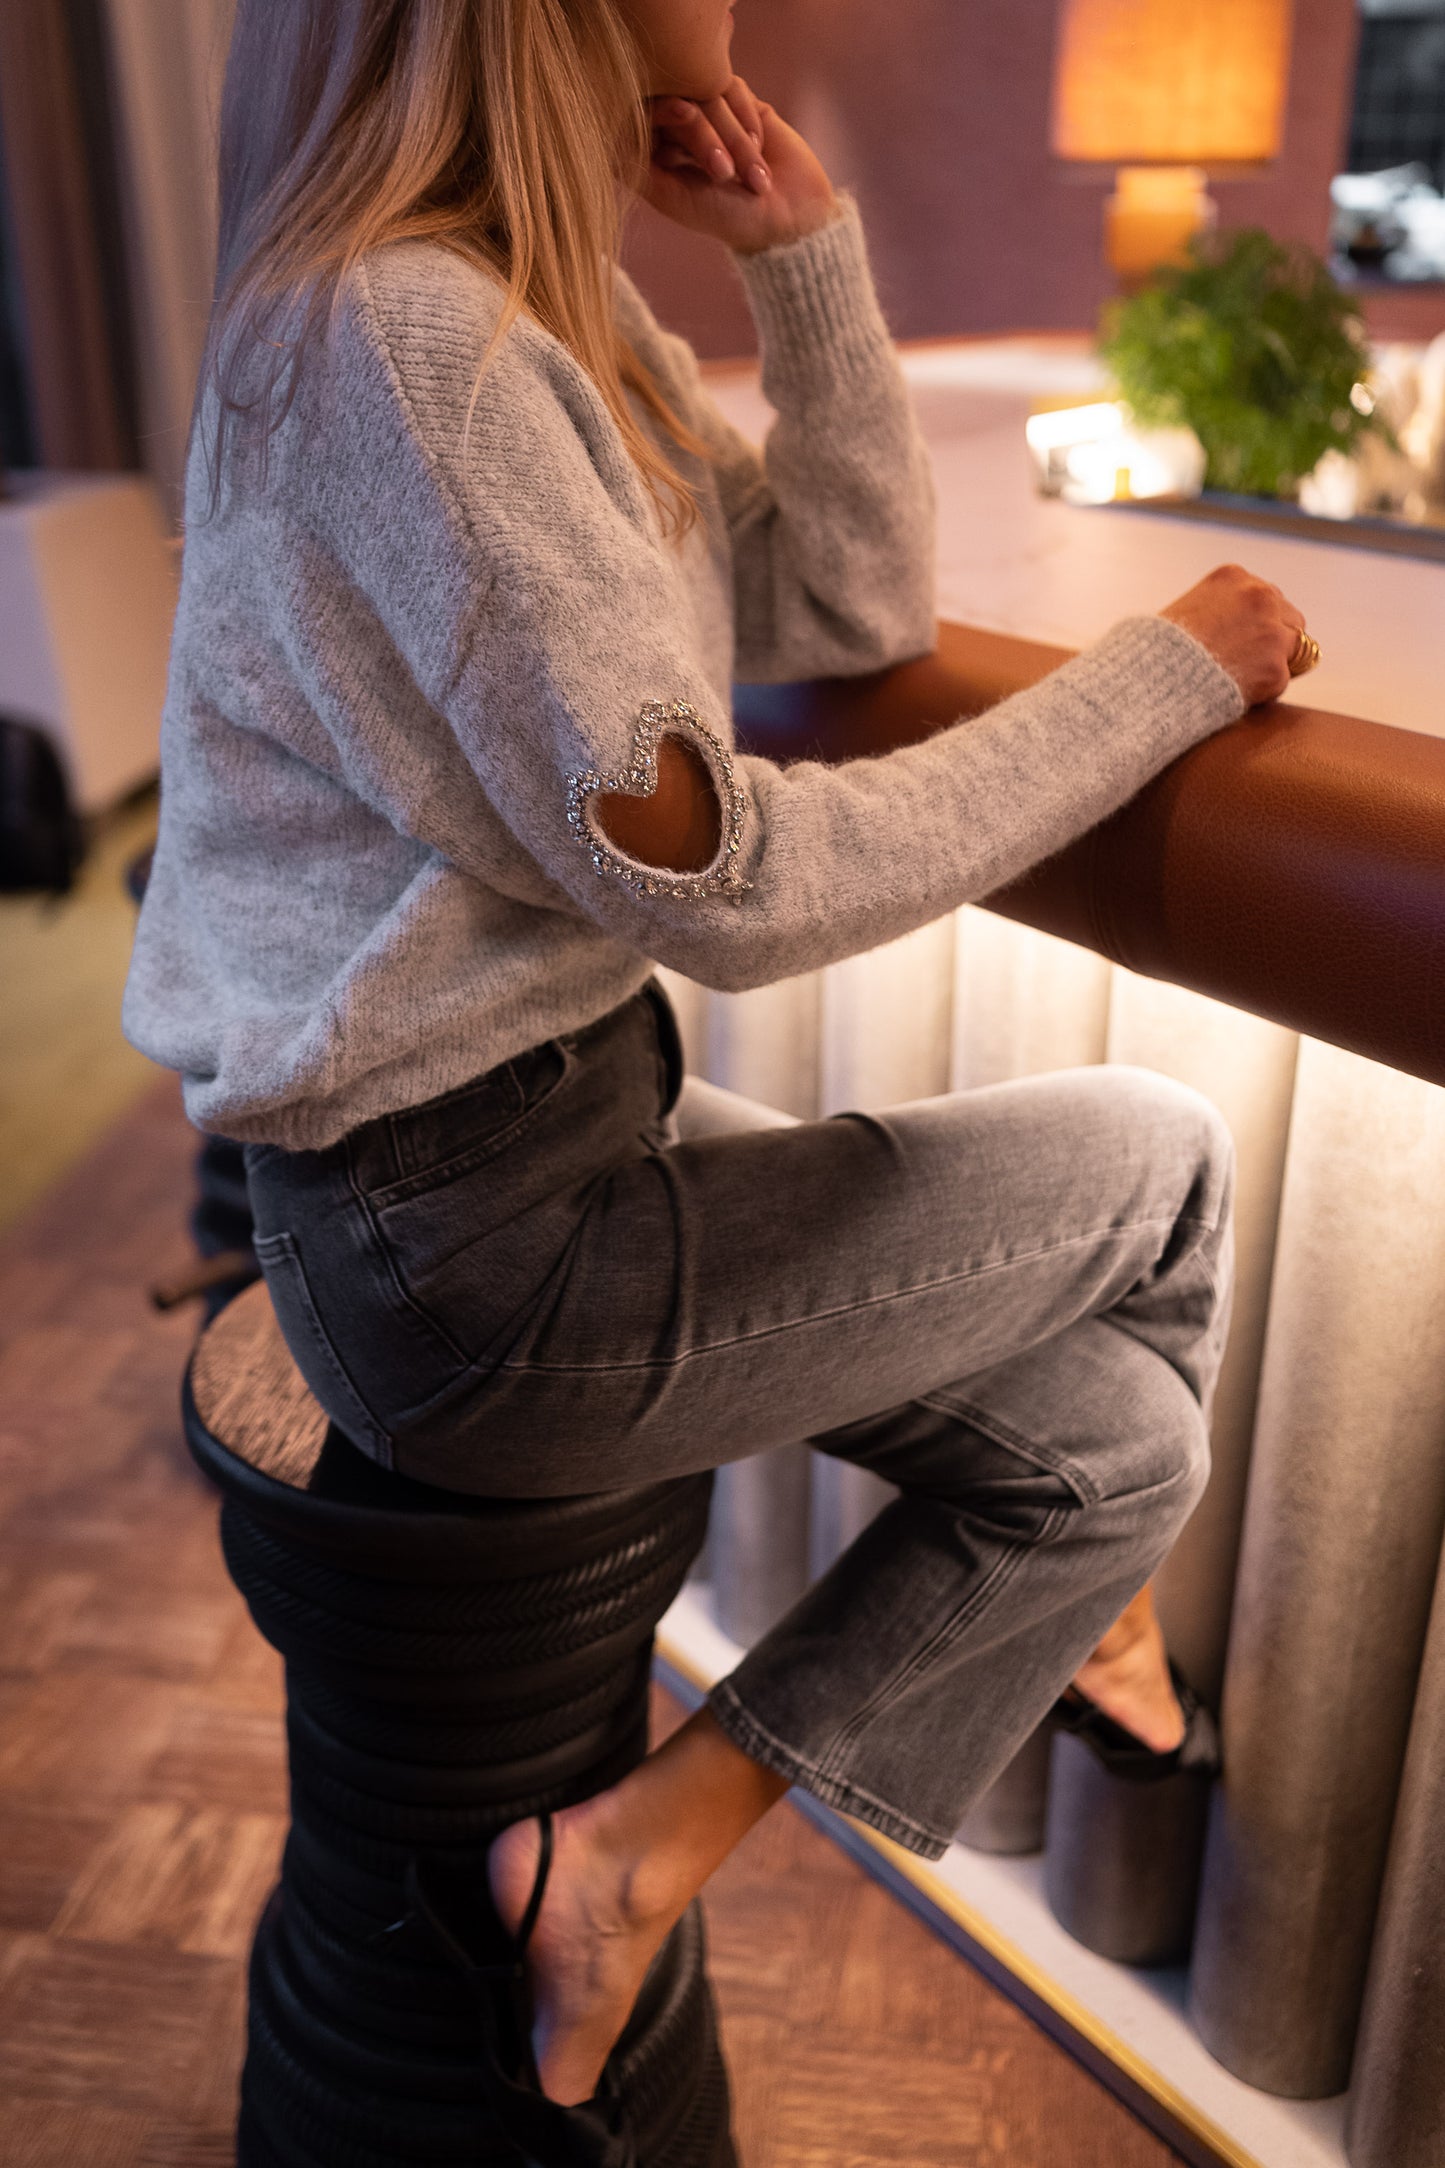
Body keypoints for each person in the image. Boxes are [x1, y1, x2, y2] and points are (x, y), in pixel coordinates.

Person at [123, 0, 1313, 2127]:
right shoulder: (401, 342)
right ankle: (1088, 1628)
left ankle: (631, 1861)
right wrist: (1156, 685)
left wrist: (804, 257)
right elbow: (727, 877)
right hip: (458, 1250)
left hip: (548, 1155)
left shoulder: (540, 313)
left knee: (1123, 1448)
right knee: (1168, 1158)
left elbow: (840, 608)